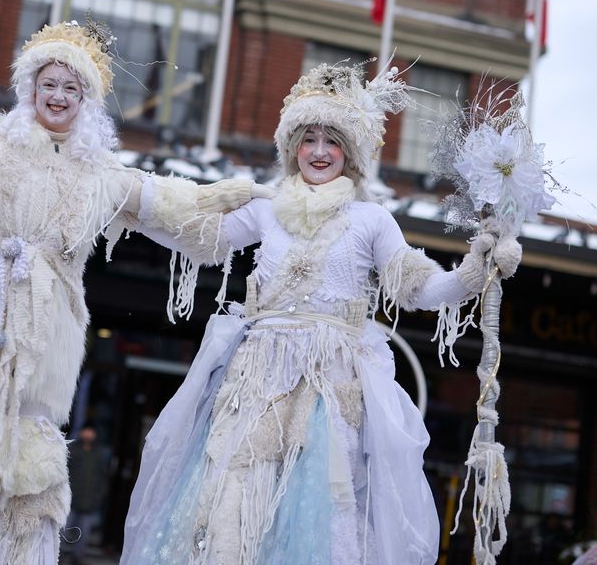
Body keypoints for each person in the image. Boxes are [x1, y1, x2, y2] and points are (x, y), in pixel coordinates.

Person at [0, 20, 259, 564]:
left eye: (70, 87)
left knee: (34, 461)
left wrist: (253, 195)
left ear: (85, 99)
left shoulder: (101, 173)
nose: (57, 96)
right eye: (48, 84)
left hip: (51, 327)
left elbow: (175, 203)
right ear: (30, 91)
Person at [120, 63, 524, 564]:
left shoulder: (370, 219)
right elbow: (203, 238)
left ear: (349, 153)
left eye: (330, 141)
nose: (317, 151)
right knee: (232, 501)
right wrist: (134, 207)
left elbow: (417, 287)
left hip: (325, 387)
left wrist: (473, 271)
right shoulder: (266, 207)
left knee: (318, 504)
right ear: (291, 147)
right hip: (256, 384)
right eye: (307, 138)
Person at [64, 426, 109, 564]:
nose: (88, 434)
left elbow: (103, 477)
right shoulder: (73, 450)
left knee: (83, 533)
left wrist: (99, 496)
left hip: (90, 500)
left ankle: (78, 557)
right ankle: (57, 554)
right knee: (63, 529)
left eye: (91, 431)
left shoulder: (99, 453)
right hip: (70, 498)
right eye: (86, 431)